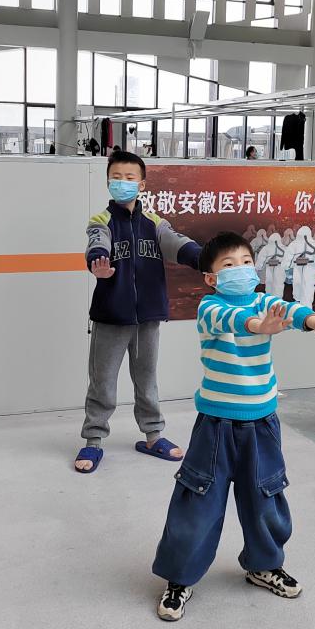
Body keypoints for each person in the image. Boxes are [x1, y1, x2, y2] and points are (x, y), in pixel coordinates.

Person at [150, 231, 315, 621]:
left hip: (262, 422)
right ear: (211, 278)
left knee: (266, 497)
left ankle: (264, 566)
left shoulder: (264, 301)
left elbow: (289, 310)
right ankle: (180, 578)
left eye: (245, 262)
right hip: (216, 424)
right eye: (229, 264)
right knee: (199, 500)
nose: (240, 269)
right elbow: (236, 320)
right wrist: (259, 326)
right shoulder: (210, 307)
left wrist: (314, 322)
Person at [76, 150, 202, 474]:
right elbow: (97, 242)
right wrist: (98, 261)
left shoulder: (155, 223)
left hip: (148, 318)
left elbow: (175, 242)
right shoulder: (101, 221)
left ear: (142, 184)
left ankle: (153, 436)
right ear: (108, 182)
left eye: (129, 178)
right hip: (110, 316)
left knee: (147, 380)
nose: (122, 183)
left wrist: (203, 258)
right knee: (102, 382)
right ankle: (93, 441)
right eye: (116, 177)